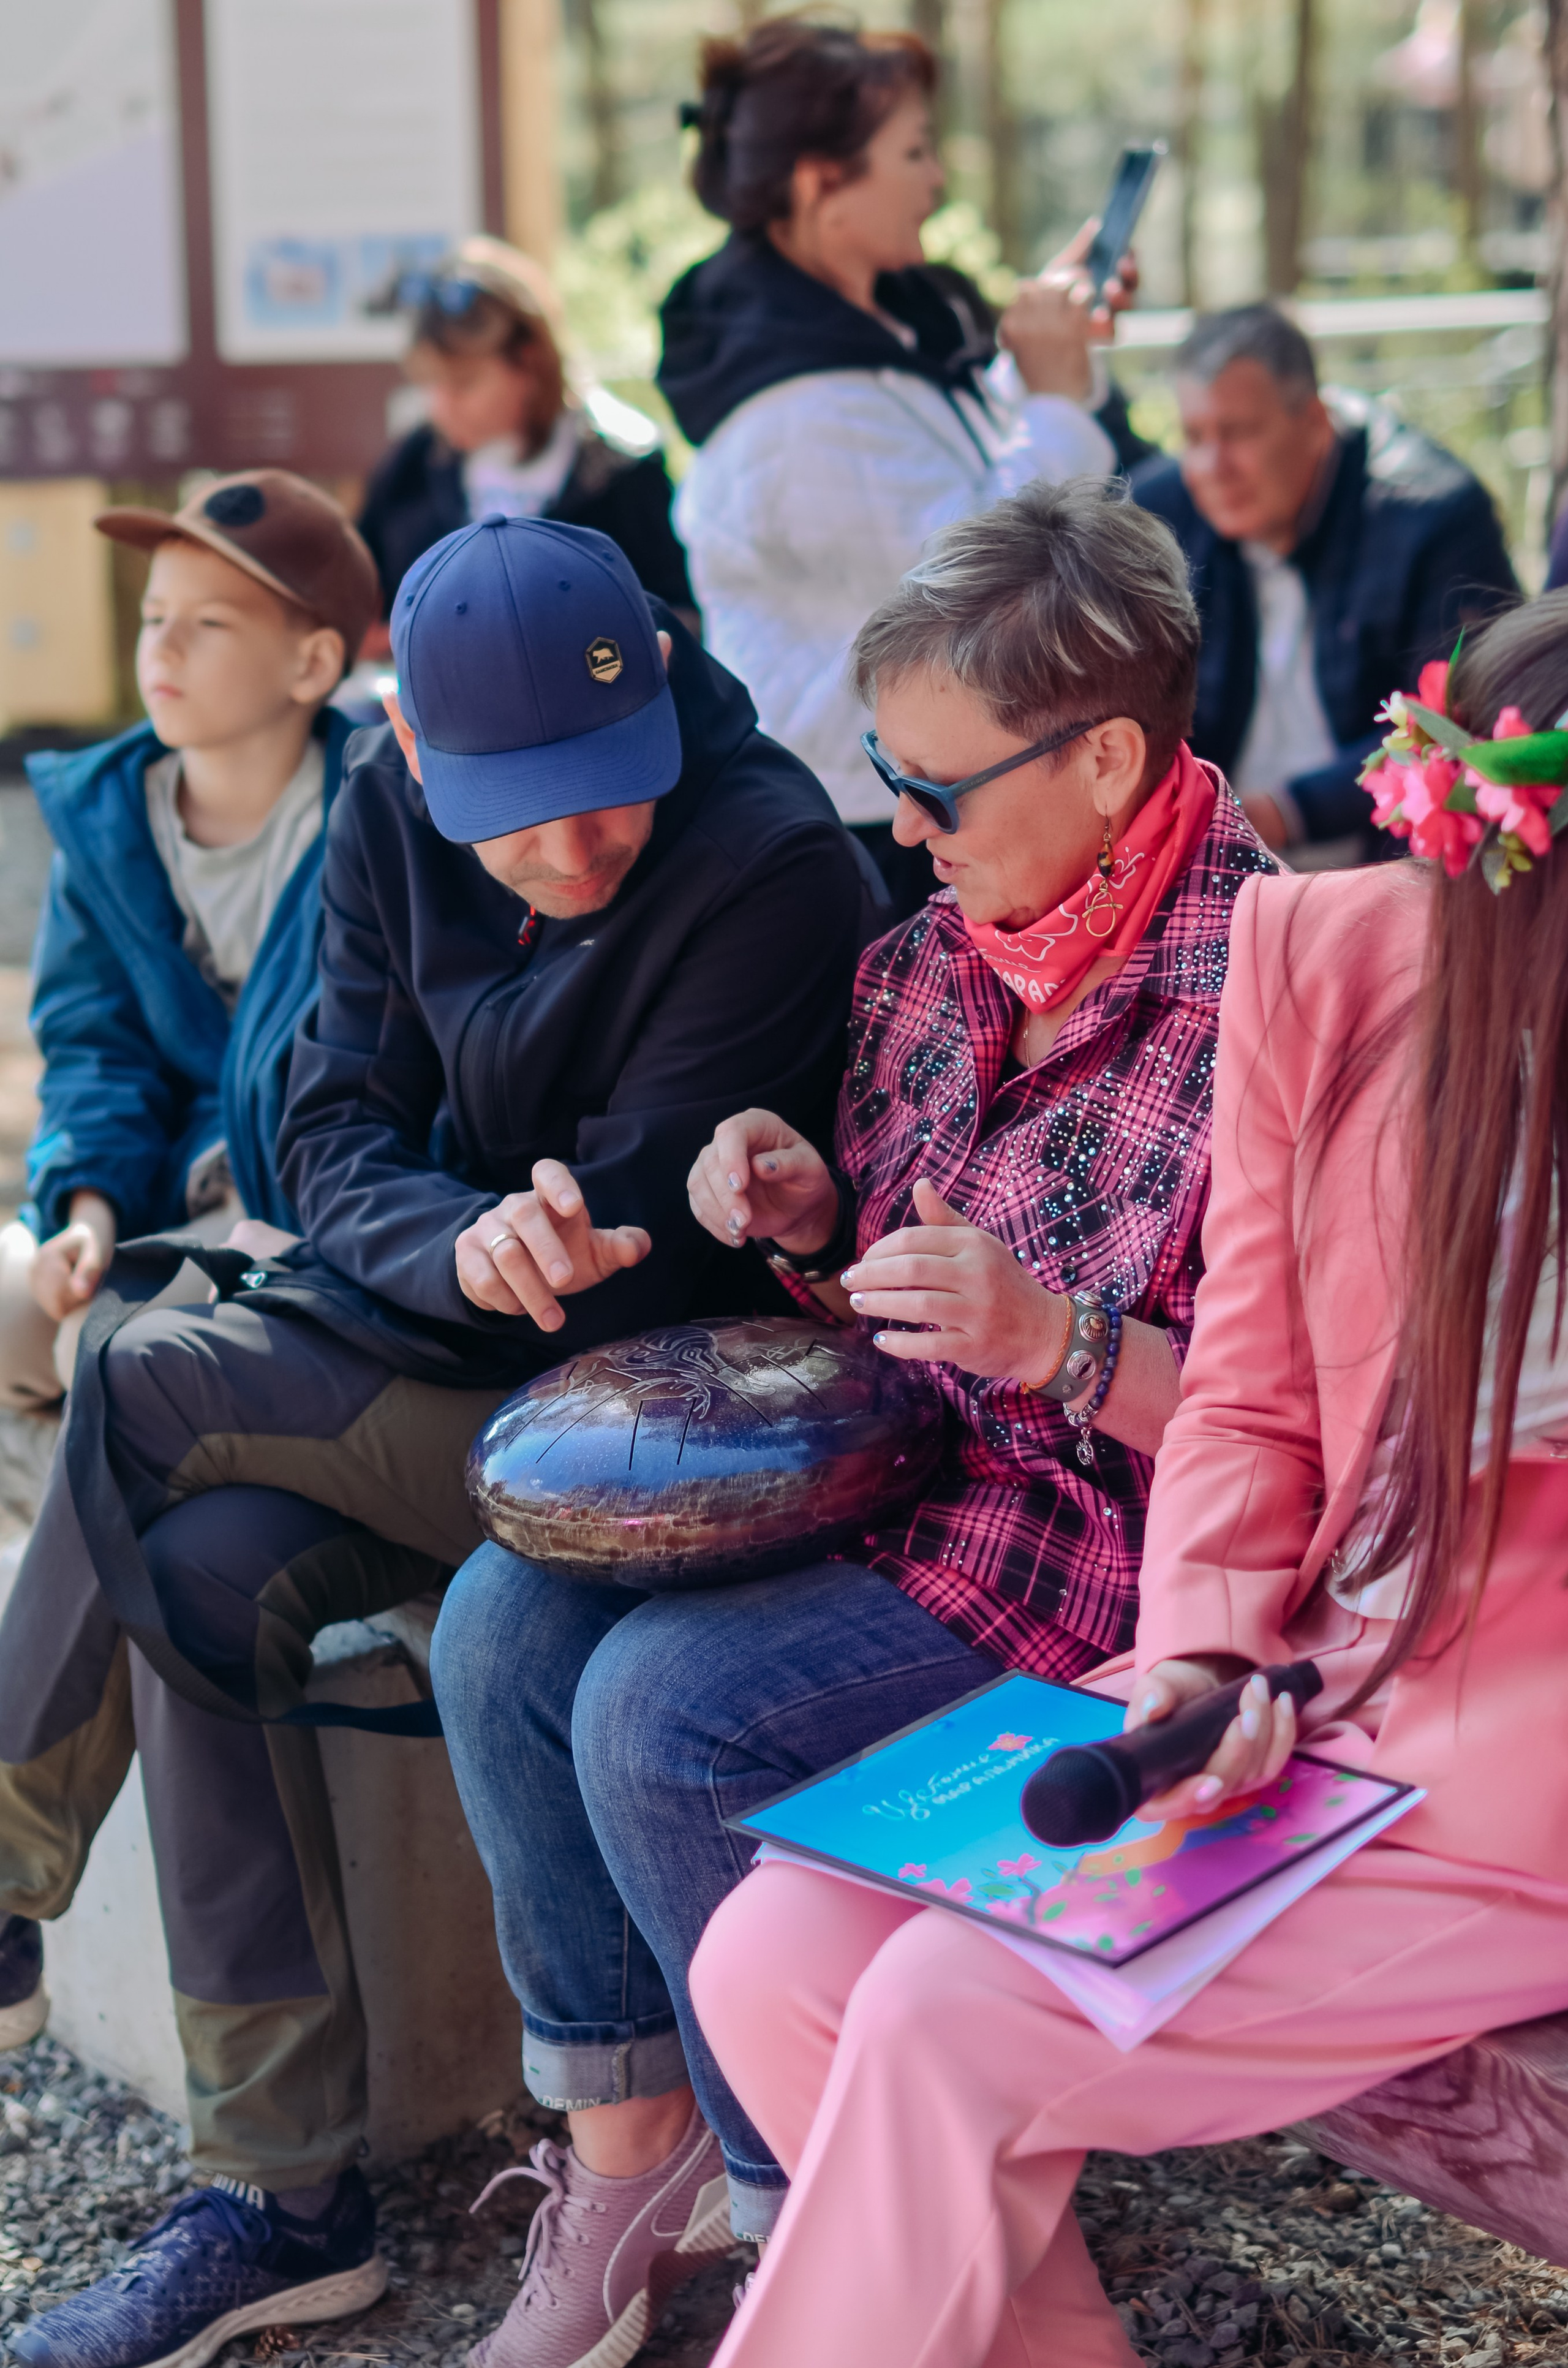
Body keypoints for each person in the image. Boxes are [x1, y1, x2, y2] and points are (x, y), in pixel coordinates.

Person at [0, 517, 871, 2368]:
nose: (574, 847)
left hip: (649, 1425)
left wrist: (466, 1239)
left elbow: (654, 1237)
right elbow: (329, 1125)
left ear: (658, 690)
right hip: (428, 1338)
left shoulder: (769, 858)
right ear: (411, 747)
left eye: (607, 787)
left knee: (139, 1377)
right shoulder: (389, 811)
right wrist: (452, 1234)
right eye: (517, 813)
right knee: (193, 1569)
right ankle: (282, 2199)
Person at [428, 479, 1275, 2368]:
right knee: (498, 1624)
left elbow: (1316, 1422)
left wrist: (1062, 1342)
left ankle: (823, 2235)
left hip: (1111, 1570)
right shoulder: (930, 953)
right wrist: (813, 1218)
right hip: (898, 1485)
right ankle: (634, 2160)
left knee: (662, 1706)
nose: (899, 826)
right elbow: (891, 1290)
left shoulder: (1280, 992)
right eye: (887, 776)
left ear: (1108, 759)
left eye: (934, 790)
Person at [684, 591, 1568, 2368]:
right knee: (767, 1962)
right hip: (1296, 1645)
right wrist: (1202, 1648)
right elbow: (1248, 1386)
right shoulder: (1328, 954)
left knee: (947, 2013)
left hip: (1522, 1743)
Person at [658, 17, 1130, 920]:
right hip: (872, 829)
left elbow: (941, 472)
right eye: (913, 152)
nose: (936, 179)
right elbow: (991, 583)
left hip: (909, 798)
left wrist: (1051, 355)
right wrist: (1056, 396)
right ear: (820, 183)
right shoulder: (801, 408)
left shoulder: (862, 334)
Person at [0, 471, 376, 1416]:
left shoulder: (376, 820)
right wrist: (87, 1210)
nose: (162, 646)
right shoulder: (107, 823)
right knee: (14, 1315)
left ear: (311, 664)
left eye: (208, 624)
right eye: (153, 616)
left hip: (307, 1212)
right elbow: (96, 1051)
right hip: (156, 1189)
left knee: (104, 1352)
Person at [1133, 301, 1518, 868]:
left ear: (1314, 422)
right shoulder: (1157, 513)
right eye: (1193, 435)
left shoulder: (1431, 515)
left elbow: (1461, 722)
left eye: (1238, 432)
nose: (1213, 465)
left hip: (1389, 861)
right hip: (1207, 858)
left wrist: (1279, 814)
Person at [358, 235, 695, 626]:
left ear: (529, 365)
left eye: (464, 384)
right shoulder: (414, 465)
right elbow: (365, 595)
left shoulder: (622, 465)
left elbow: (678, 618)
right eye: (429, 384)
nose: (440, 407)